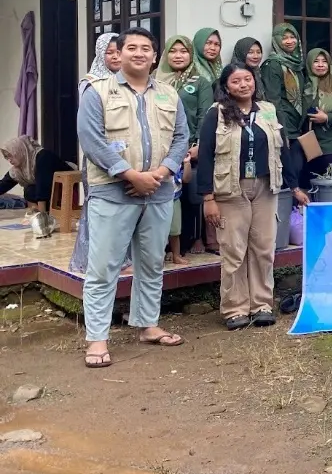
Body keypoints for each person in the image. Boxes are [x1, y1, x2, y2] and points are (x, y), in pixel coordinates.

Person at [77, 27, 189, 368]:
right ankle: (97, 340)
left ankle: (147, 324)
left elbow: (182, 136)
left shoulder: (169, 94)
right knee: (103, 267)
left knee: (151, 262)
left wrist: (162, 173)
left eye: (146, 48)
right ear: (119, 54)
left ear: (155, 56)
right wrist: (130, 175)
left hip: (157, 192)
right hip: (113, 193)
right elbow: (91, 139)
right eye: (131, 48)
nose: (139, 53)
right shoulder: (97, 92)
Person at [198, 63, 284, 330]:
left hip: (265, 187)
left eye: (248, 79)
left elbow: (285, 148)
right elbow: (205, 155)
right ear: (226, 86)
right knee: (234, 250)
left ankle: (262, 304)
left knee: (263, 247)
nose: (243, 85)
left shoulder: (267, 110)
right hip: (229, 189)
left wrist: (295, 185)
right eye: (236, 81)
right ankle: (235, 308)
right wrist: (208, 198)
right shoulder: (217, 113)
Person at [157, 35, 212, 264]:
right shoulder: (156, 80)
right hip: (161, 148)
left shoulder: (201, 81)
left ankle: (190, 241)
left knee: (190, 196)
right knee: (164, 197)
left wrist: (198, 144)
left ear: (191, 54)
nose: (178, 55)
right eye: (173, 51)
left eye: (183, 51)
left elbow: (205, 114)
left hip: (191, 147)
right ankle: (165, 248)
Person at [69, 33, 120, 275]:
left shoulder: (129, 80)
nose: (116, 57)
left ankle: (121, 261)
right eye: (110, 52)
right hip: (99, 155)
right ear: (101, 54)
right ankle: (91, 260)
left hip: (126, 154)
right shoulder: (90, 83)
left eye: (119, 51)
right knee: (99, 208)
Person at [0, 136, 73, 212]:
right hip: (50, 191)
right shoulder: (18, 169)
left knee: (37, 188)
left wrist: (42, 215)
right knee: (29, 190)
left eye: (10, 155)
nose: (9, 160)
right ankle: (37, 210)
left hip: (66, 188)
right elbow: (3, 184)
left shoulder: (42, 157)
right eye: (7, 157)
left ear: (19, 150)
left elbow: (43, 186)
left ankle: (43, 212)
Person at [260, 24, 306, 139]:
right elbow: (273, 100)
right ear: (276, 40)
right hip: (284, 126)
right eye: (284, 38)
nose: (290, 41)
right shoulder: (272, 65)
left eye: (292, 37)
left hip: (298, 125)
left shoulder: (297, 64)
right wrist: (281, 130)